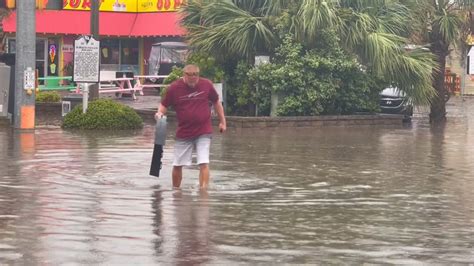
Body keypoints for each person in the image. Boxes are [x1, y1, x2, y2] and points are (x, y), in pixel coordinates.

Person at [155, 64, 226, 190]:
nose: (193, 81)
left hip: (203, 130)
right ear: (184, 75)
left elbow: (216, 102)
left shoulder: (206, 85)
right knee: (177, 164)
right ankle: (176, 191)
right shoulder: (174, 88)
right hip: (184, 132)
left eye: (196, 77)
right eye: (190, 78)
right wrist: (159, 113)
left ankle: (203, 192)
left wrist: (222, 121)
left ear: (198, 75)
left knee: (203, 162)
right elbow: (164, 105)